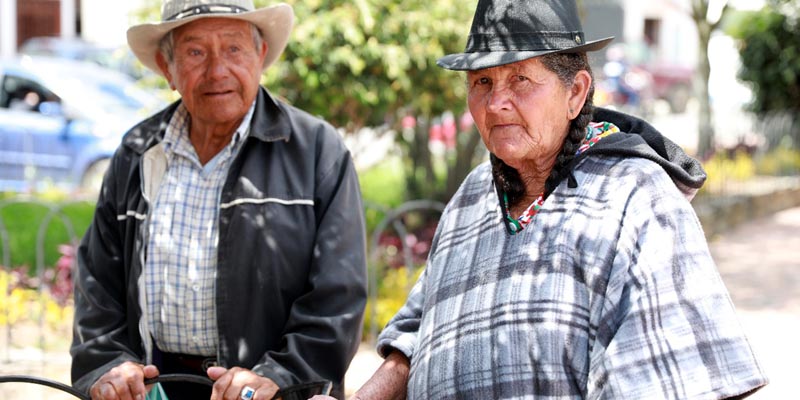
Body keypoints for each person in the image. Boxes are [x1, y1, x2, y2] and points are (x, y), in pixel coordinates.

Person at [316, 0, 768, 399]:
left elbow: (683, 382)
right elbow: (416, 335)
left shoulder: (637, 199)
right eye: (482, 83)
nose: (496, 105)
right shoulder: (472, 196)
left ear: (575, 93)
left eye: (521, 79)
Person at [69, 1, 367, 400]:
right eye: (195, 52)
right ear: (167, 68)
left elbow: (338, 296)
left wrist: (278, 377)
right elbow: (97, 285)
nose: (217, 70)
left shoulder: (316, 151)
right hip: (156, 391)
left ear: (260, 56)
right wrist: (109, 366)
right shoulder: (138, 152)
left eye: (233, 48)